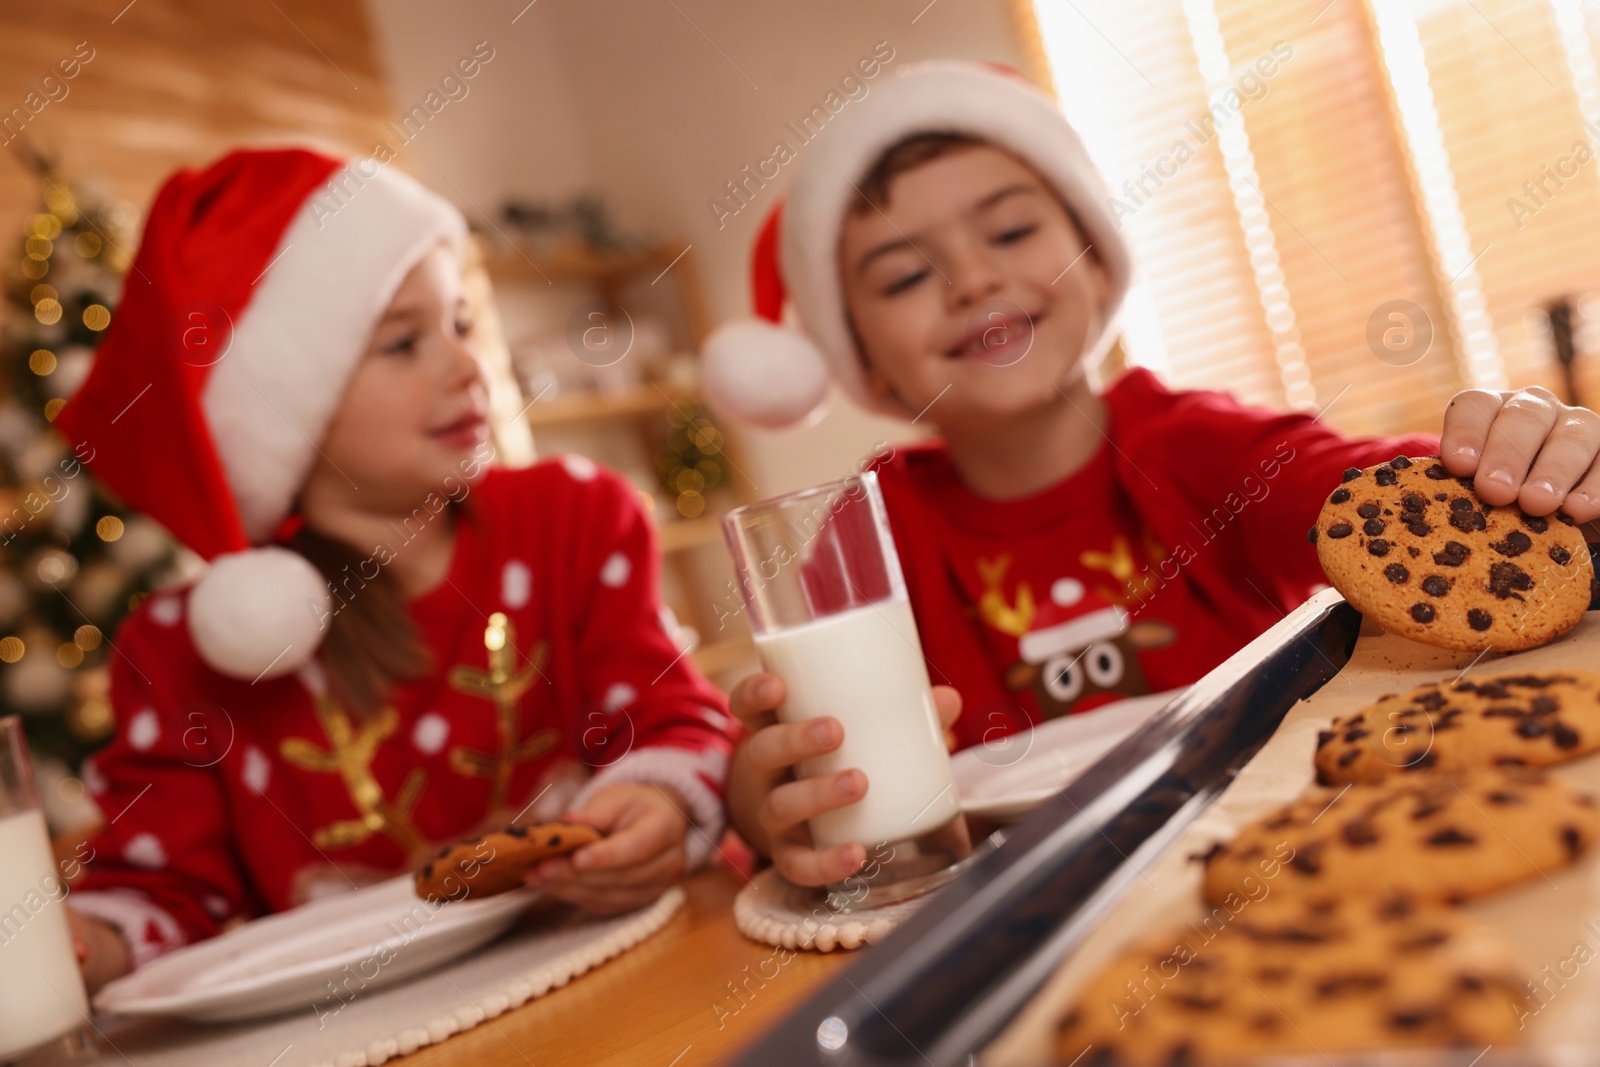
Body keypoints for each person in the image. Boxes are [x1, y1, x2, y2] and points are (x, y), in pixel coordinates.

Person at [703, 62, 1600, 889]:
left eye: (1012, 230)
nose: (973, 277)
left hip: (1287, 850)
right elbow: (801, 762)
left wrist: (1519, 461)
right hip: (1022, 901)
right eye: (903, 276)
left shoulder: (1203, 448)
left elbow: (1394, 502)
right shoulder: (871, 533)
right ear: (863, 360)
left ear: (1096, 260)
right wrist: (766, 788)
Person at [56, 149, 736, 992]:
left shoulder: (575, 520)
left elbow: (676, 722)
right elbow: (160, 891)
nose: (465, 366)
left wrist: (661, 804)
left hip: (627, 974)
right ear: (286, 410)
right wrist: (85, 942)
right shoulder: (179, 652)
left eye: (459, 323)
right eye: (404, 343)